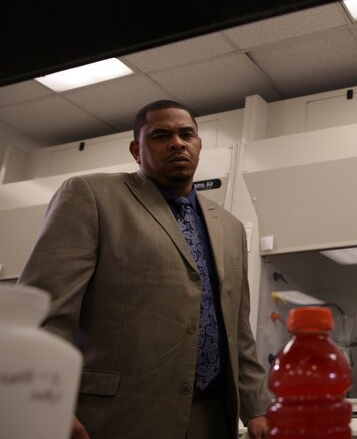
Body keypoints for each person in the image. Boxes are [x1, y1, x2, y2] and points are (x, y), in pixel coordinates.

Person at [18, 100, 269, 439]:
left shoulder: (230, 226)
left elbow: (238, 333)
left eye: (186, 134)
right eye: (160, 135)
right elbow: (44, 310)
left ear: (198, 144)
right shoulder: (91, 196)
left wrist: (257, 408)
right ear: (137, 150)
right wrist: (45, 403)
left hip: (212, 417)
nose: (177, 143)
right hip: (117, 418)